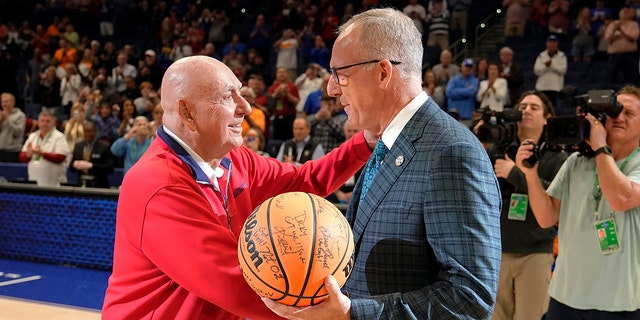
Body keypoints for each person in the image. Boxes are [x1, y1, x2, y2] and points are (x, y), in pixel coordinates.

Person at [263, 8, 501, 319]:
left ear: (383, 72)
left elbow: (470, 299)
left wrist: (353, 314)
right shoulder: (389, 139)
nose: (331, 89)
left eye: (340, 74)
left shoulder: (451, 152)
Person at [102, 55, 375, 319]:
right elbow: (236, 285)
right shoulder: (158, 184)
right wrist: (340, 313)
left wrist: (366, 141)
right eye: (227, 96)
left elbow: (302, 181)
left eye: (241, 93)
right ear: (187, 112)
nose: (245, 107)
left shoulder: (233, 158)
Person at [514, 85, 640, 319]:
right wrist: (530, 173)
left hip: (619, 300)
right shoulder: (577, 161)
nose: (618, 117)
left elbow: (621, 198)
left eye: (629, 113)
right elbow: (546, 217)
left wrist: (601, 147)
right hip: (567, 295)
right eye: (614, 112)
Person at [484, 91, 567, 320]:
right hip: (497, 251)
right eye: (522, 106)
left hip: (535, 252)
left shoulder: (556, 157)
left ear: (546, 117)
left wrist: (516, 174)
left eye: (534, 107)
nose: (526, 110)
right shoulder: (499, 149)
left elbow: (555, 197)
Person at [19, 110, 69, 187]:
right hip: (33, 181)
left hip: (54, 183)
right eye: (42, 121)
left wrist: (42, 154)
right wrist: (28, 155)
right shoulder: (32, 136)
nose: (44, 123)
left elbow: (60, 157)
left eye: (48, 121)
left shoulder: (59, 137)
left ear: (53, 123)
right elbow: (22, 157)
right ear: (38, 122)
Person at [70, 120, 115, 188]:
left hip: (99, 186)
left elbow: (110, 168)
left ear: (95, 132)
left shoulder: (104, 146)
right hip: (81, 185)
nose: (87, 134)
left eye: (89, 131)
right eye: (85, 131)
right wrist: (77, 165)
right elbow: (71, 166)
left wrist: (91, 166)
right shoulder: (78, 146)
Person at [534, 35, 567, 109]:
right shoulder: (541, 55)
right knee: (542, 108)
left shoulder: (562, 55)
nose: (551, 44)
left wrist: (551, 65)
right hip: (542, 87)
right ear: (547, 43)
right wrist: (546, 66)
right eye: (550, 42)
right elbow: (536, 71)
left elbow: (563, 70)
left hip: (555, 87)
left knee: (553, 108)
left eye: (553, 42)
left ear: (557, 44)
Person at [446, 57, 479, 127]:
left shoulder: (474, 81)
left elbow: (470, 92)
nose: (468, 69)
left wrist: (456, 91)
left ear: (473, 69)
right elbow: (448, 92)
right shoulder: (454, 79)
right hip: (452, 117)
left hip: (467, 117)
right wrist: (465, 91)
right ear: (462, 67)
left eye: (470, 67)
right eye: (466, 66)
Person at [0, 92, 26, 162]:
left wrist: (7, 121)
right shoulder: (1, 115)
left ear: (13, 102)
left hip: (13, 150)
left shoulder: (20, 115)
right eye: (2, 102)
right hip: (1, 148)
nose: (4, 104)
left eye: (6, 101)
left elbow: (18, 133)